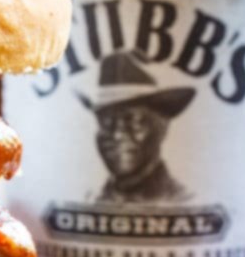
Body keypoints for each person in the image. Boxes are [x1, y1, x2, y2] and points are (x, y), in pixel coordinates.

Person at [78, 52, 195, 204]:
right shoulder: (93, 199)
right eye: (106, 122)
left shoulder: (182, 199)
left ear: (162, 128)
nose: (117, 135)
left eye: (133, 121)